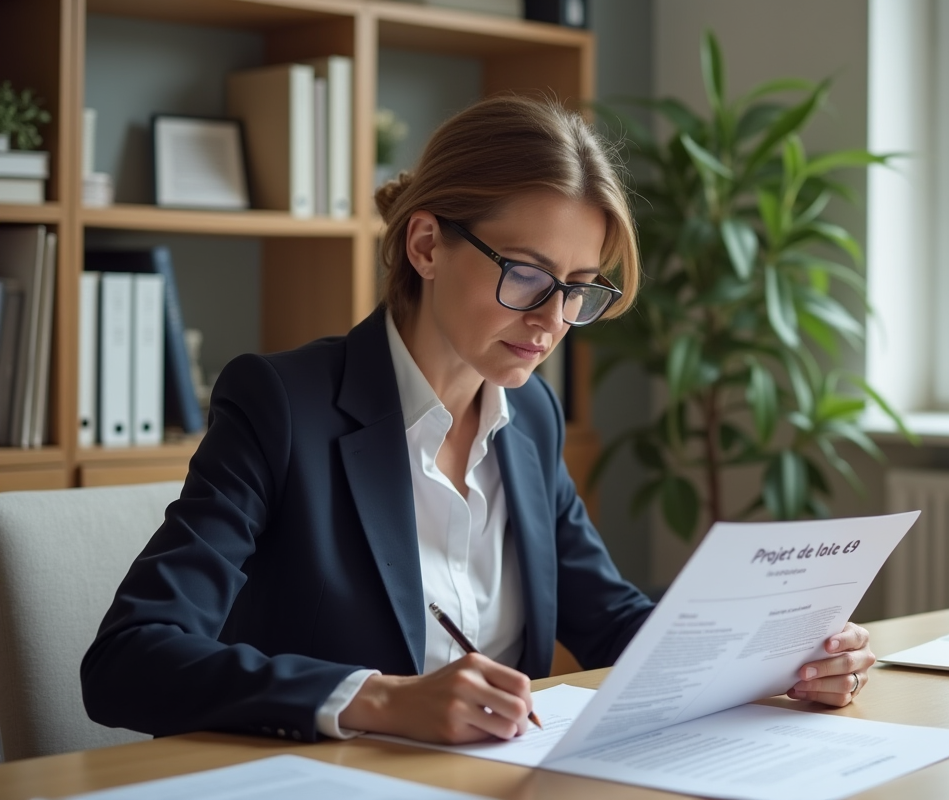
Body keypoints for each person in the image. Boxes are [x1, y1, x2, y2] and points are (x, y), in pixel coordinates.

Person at [81, 95, 876, 746]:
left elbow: (609, 619)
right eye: (527, 275)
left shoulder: (530, 416)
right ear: (427, 245)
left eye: (578, 287)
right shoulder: (282, 405)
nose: (553, 320)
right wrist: (382, 700)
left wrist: (779, 660)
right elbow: (128, 659)